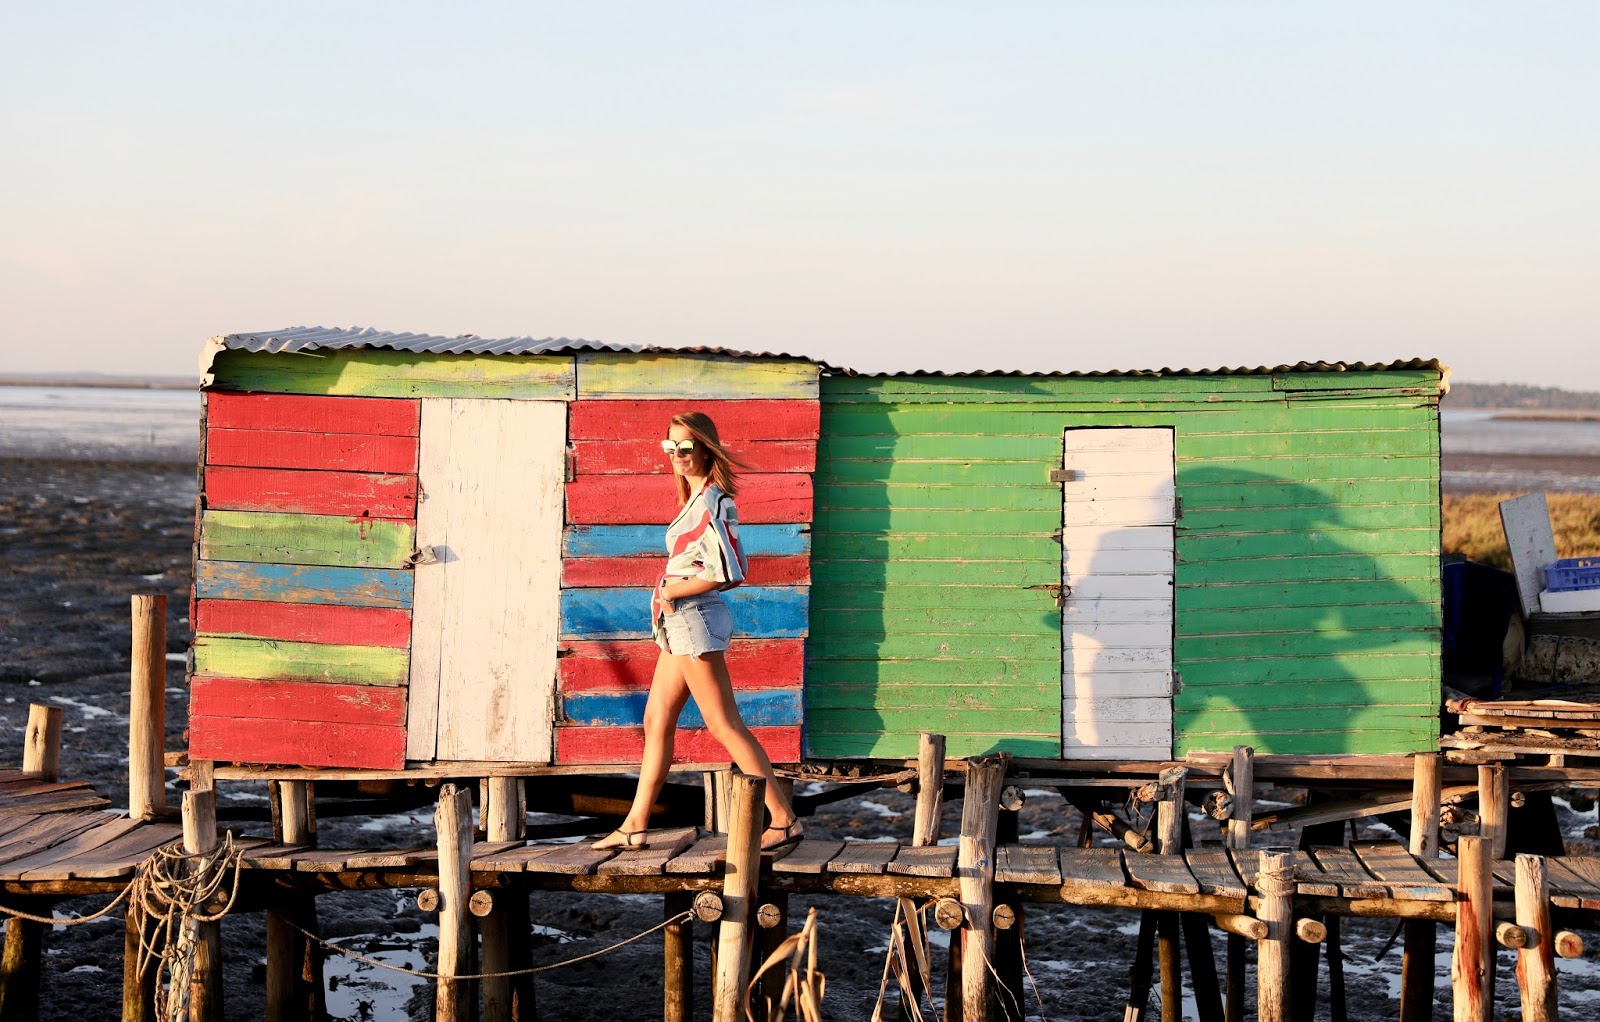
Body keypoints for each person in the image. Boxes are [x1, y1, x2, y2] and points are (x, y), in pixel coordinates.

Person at [593, 411, 804, 852]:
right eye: (670, 447)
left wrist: (673, 590)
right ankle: (634, 825)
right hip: (679, 621)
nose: (677, 455)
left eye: (686, 446)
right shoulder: (695, 500)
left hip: (692, 617)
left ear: (706, 449)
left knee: (723, 724)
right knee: (656, 720)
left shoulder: (712, 500)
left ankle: (783, 820)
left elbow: (731, 568)